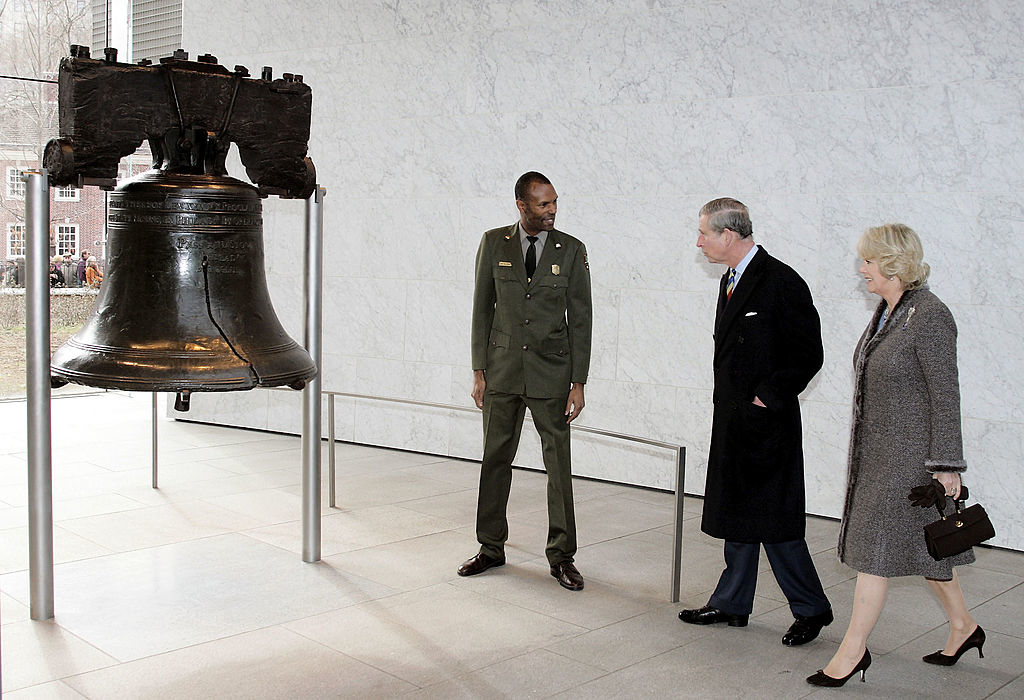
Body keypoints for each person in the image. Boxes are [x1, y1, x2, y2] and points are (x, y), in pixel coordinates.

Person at [806, 224, 980, 688]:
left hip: (911, 461)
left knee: (876, 554)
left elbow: (947, 394)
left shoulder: (930, 315)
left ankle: (852, 652)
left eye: (868, 260)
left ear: (892, 262)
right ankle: (964, 627)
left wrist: (947, 465)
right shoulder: (890, 311)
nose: (861, 268)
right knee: (928, 547)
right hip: (878, 453)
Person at [679, 198, 833, 646]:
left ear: (728, 235)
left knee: (775, 524)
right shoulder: (731, 279)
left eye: (705, 232)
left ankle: (811, 609)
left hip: (767, 427)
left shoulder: (781, 281)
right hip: (733, 419)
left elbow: (809, 353)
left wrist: (766, 396)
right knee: (736, 516)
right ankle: (731, 602)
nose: (699, 241)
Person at [459, 171, 593, 591]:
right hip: (501, 372)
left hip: (551, 373)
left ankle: (562, 556)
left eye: (554, 202)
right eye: (543, 204)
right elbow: (482, 307)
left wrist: (578, 381)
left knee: (558, 466)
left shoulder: (571, 250)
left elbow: (582, 319)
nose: (552, 210)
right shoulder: (493, 242)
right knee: (495, 459)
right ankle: (490, 547)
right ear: (522, 206)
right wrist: (479, 370)